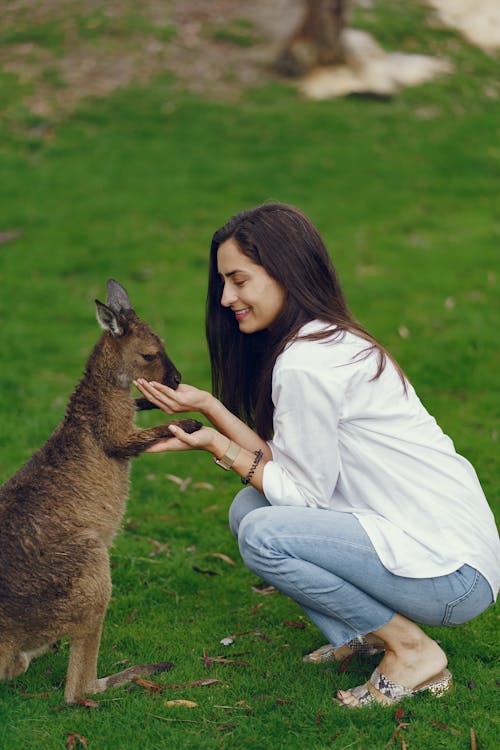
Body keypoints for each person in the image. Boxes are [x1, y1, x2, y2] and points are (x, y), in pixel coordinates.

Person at [135, 202, 499, 708]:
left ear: (283, 271)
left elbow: (301, 497)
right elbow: (289, 469)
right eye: (223, 283)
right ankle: (361, 634)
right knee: (250, 510)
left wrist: (218, 445)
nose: (225, 297)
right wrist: (210, 408)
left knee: (264, 535)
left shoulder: (307, 364)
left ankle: (411, 650)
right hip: (441, 550)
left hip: (451, 576)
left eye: (238, 280)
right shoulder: (324, 341)